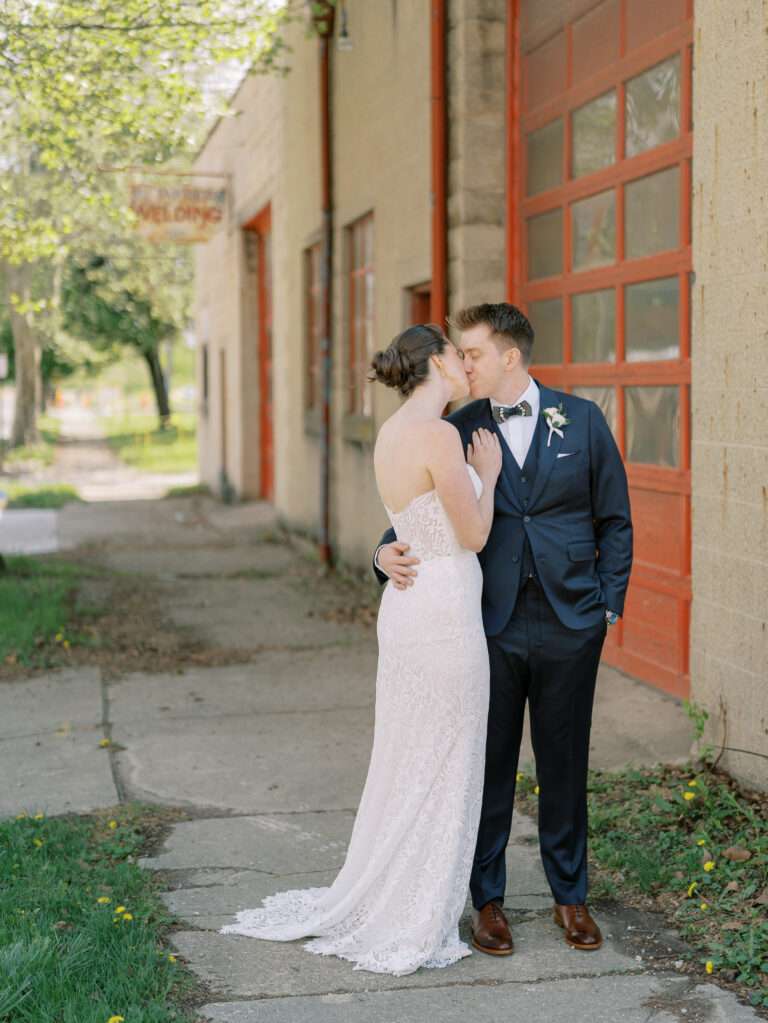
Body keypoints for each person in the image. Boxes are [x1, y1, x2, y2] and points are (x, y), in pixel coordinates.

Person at [220, 323, 502, 976]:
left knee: (409, 756)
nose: (465, 365)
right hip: (443, 613)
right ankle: (417, 910)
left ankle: (397, 890)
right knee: (444, 760)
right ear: (435, 361)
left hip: (408, 608)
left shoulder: (391, 432)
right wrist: (486, 473)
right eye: (457, 356)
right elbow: (475, 534)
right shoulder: (441, 435)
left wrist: (382, 550)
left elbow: (412, 523)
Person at [374, 303, 633, 956]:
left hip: (570, 622)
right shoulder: (453, 427)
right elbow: (414, 512)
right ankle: (486, 902)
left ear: (510, 356)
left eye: (474, 353)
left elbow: (615, 520)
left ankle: (569, 897)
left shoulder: (582, 420)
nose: (463, 363)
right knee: (485, 768)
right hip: (482, 625)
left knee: (564, 763)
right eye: (457, 354)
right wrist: (378, 555)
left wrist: (608, 604)